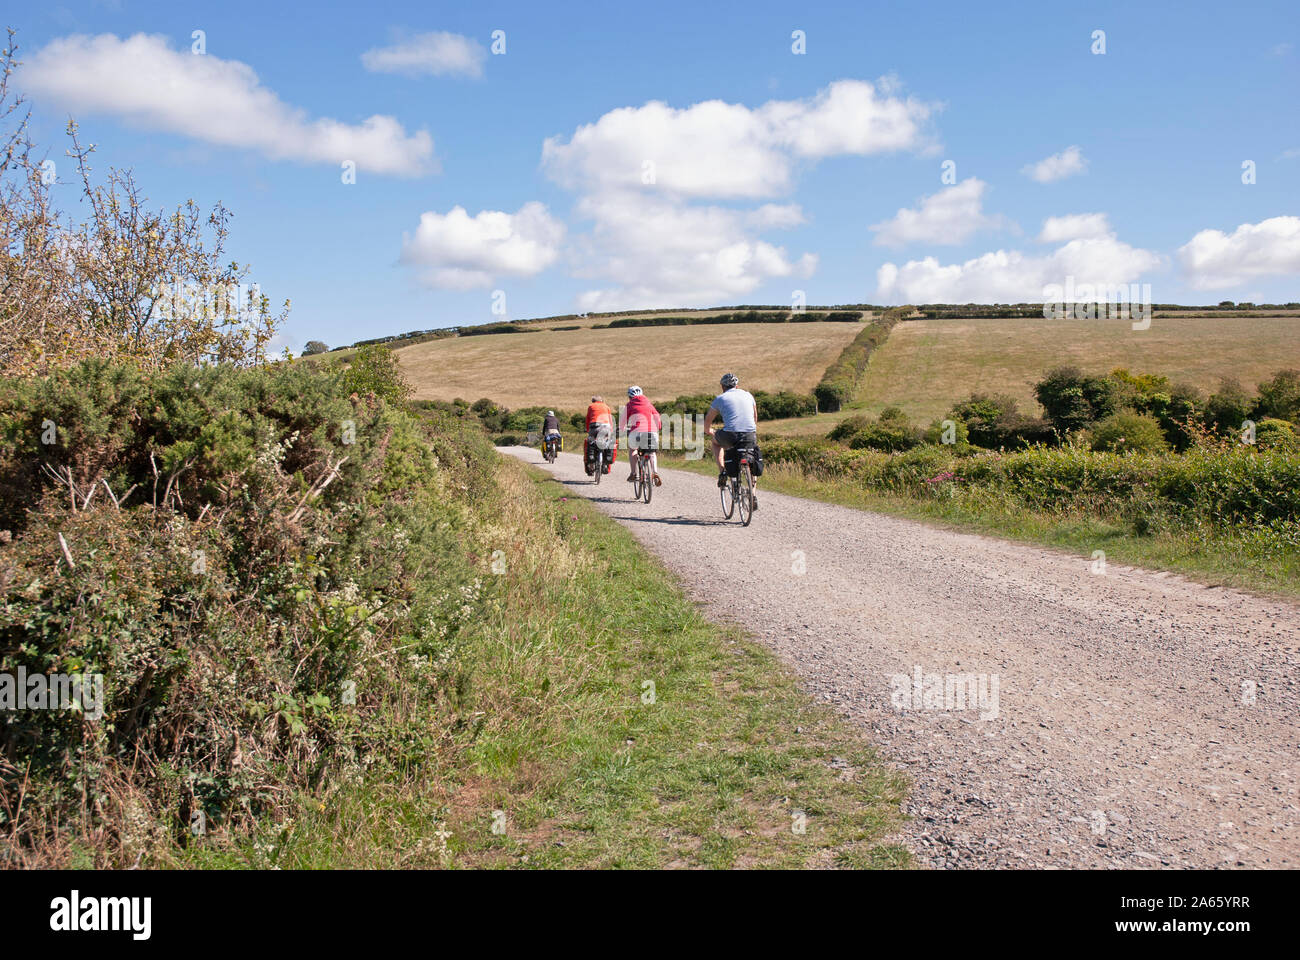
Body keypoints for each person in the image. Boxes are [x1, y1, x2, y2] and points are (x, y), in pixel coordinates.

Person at [703, 372, 759, 509]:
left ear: (722, 387)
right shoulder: (748, 395)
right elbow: (755, 417)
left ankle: (722, 471)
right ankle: (752, 493)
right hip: (750, 434)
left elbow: (707, 421)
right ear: (737, 386)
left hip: (730, 435)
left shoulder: (720, 399)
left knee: (715, 442)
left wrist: (709, 431)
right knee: (752, 460)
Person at [621, 386, 662, 486]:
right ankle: (655, 472)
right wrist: (658, 427)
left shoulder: (630, 404)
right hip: (651, 431)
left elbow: (622, 421)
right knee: (652, 453)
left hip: (636, 431)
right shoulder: (649, 403)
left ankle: (634, 473)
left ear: (630, 396)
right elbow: (657, 416)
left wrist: (622, 429)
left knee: (633, 450)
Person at [584, 395, 617, 473]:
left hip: (594, 426)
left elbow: (588, 419)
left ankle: (591, 465)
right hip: (606, 426)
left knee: (591, 441)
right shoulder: (607, 407)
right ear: (602, 401)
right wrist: (611, 430)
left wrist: (588, 429)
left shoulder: (591, 406)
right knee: (608, 441)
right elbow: (610, 420)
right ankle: (606, 463)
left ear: (593, 401)